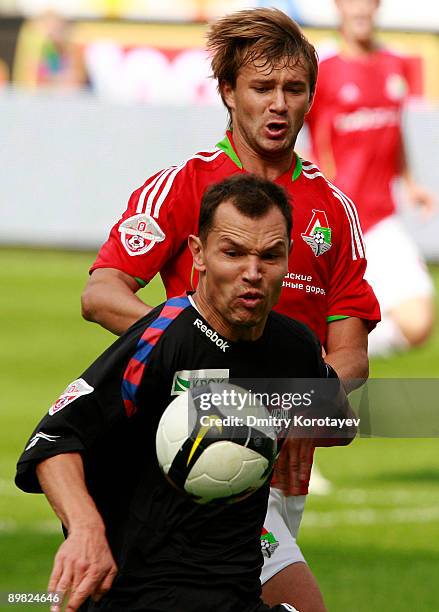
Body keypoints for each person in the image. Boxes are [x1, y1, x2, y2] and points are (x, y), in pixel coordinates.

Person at [81, 8, 380, 610]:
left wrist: (302, 408)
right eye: (261, 88)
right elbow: (102, 292)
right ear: (227, 92)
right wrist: (188, 352)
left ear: (310, 98)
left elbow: (350, 357)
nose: (278, 105)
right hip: (191, 452)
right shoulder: (184, 185)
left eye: (293, 90)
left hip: (278, 469)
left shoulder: (333, 210)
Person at [16, 174, 354, 612]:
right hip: (133, 593)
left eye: (270, 256)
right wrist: (84, 530)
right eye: (232, 253)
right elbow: (54, 440)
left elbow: (340, 421)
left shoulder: (295, 347)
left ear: (289, 258)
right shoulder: (164, 337)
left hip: (233, 593)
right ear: (199, 254)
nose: (252, 274)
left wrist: (296, 418)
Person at [306, 0, 435, 357]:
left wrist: (410, 182)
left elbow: (395, 132)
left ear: (377, 7)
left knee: (418, 323)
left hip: (381, 220)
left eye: (367, 2)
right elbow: (291, 137)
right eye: (351, 2)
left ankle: (337, 352)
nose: (360, 9)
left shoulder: (395, 65)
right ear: (339, 7)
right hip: (334, 226)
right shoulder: (322, 69)